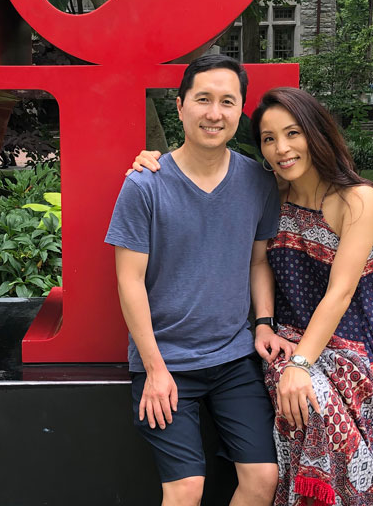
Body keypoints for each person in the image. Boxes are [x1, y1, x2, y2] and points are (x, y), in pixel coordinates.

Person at [133, 86, 373, 506]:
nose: (282, 149)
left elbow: (341, 291)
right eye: (269, 138)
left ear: (316, 133)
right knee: (297, 411)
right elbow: (199, 178)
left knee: (318, 408)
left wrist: (300, 365)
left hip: (353, 348)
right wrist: (150, 160)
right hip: (287, 338)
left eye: (293, 133)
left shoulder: (357, 199)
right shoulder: (270, 192)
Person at [106, 55, 294, 506]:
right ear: (180, 107)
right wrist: (153, 369)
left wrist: (263, 322)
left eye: (227, 102)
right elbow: (128, 281)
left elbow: (257, 262)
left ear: (240, 110)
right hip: (166, 362)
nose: (215, 112)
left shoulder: (258, 181)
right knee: (186, 489)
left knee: (264, 478)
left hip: (232, 359)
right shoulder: (145, 185)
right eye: (203, 99)